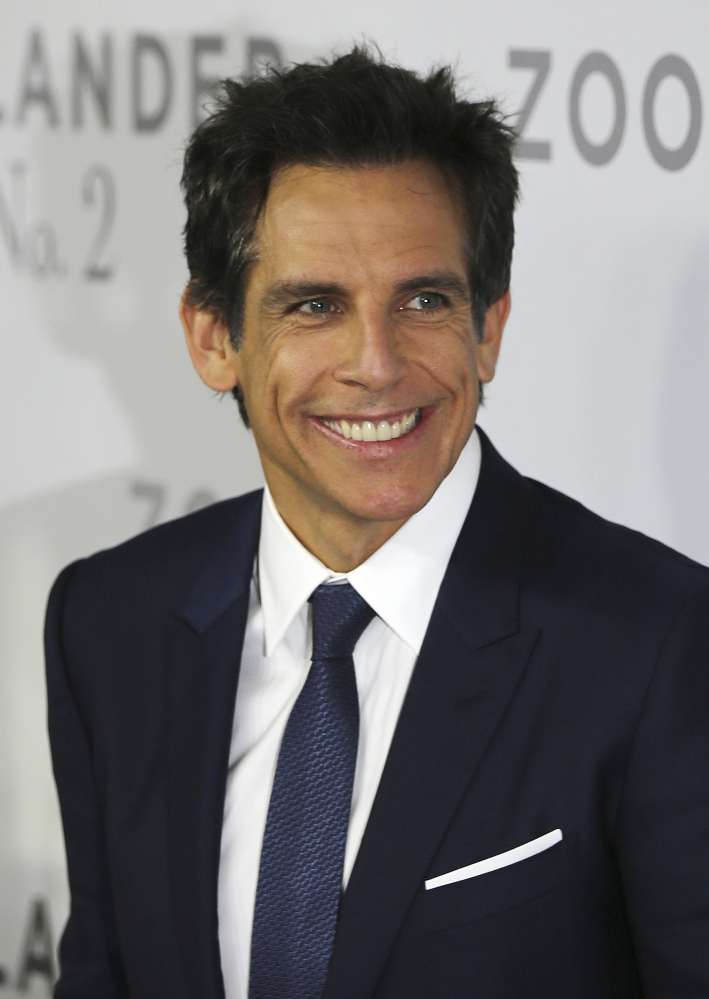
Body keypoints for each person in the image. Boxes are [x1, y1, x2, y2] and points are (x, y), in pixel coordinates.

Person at [45, 47, 709, 999]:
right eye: (315, 305)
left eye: (424, 301)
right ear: (214, 337)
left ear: (488, 328)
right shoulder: (107, 620)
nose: (377, 364)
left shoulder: (655, 646)